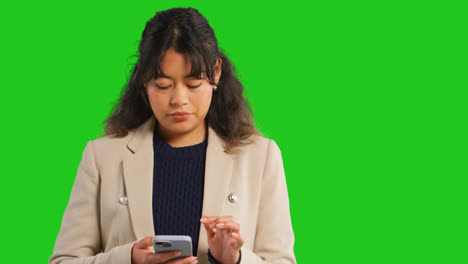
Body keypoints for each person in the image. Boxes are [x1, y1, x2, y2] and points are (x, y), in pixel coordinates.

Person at [49, 7, 296, 264]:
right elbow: (63, 261)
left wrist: (235, 259)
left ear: (216, 73)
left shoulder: (260, 156)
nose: (179, 99)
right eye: (163, 85)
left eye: (193, 84)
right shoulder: (102, 157)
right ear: (143, 78)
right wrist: (129, 259)